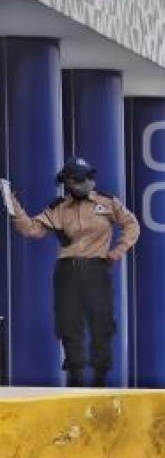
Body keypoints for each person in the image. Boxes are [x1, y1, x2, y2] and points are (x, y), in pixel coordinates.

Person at [2, 157, 140, 387]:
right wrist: (13, 205)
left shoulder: (106, 202)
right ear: (68, 182)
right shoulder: (58, 208)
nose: (87, 183)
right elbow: (32, 230)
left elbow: (131, 223)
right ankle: (75, 375)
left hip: (96, 266)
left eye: (88, 178)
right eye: (80, 180)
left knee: (101, 321)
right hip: (68, 269)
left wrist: (120, 249)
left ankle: (100, 377)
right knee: (68, 322)